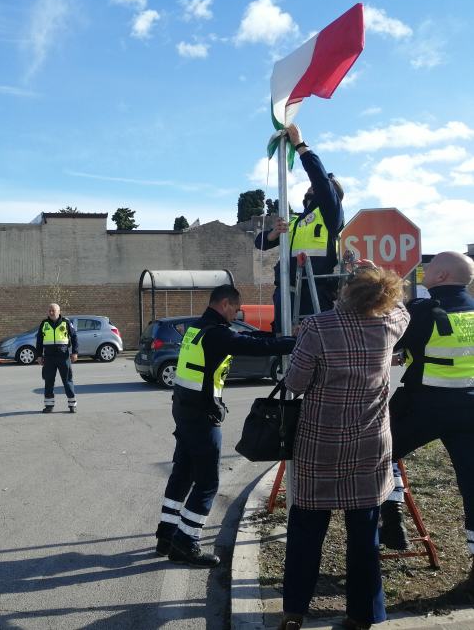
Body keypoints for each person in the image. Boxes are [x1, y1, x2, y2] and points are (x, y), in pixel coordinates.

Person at [279, 264, 409, 630]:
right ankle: (363, 615)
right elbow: (403, 309)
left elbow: (296, 382)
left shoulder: (320, 326)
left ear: (345, 292)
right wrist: (375, 275)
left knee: (306, 531)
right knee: (365, 535)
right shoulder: (389, 325)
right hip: (371, 443)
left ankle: (294, 612)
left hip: (320, 444)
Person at [155, 284, 296, 566]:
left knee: (183, 473)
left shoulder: (197, 329)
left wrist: (280, 335)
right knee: (208, 481)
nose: (237, 313)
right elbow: (256, 346)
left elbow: (250, 337)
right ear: (223, 304)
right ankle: (186, 542)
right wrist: (297, 342)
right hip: (201, 415)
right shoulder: (217, 335)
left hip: (183, 409)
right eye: (235, 308)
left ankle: (166, 535)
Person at [378, 251, 474, 582]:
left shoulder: (422, 311)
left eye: (430, 268)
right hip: (471, 409)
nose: (425, 272)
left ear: (443, 276)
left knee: (379, 449)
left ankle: (392, 518)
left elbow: (386, 336)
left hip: (425, 405)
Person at [255, 123, 345, 331]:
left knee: (313, 349)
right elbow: (260, 243)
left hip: (314, 292)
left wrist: (300, 146)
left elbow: (321, 180)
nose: (312, 186)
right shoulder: (295, 220)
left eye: (321, 185)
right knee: (284, 345)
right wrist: (273, 234)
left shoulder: (331, 213)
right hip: (286, 291)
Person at [35, 303, 79, 413]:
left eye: (53, 310)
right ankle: (49, 406)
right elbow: (39, 341)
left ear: (59, 311)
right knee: (48, 381)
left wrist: (75, 352)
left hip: (63, 357)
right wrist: (39, 356)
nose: (51, 312)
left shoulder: (66, 322)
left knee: (67, 381)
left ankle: (72, 405)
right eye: (49, 310)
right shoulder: (44, 324)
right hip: (49, 358)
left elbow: (74, 337)